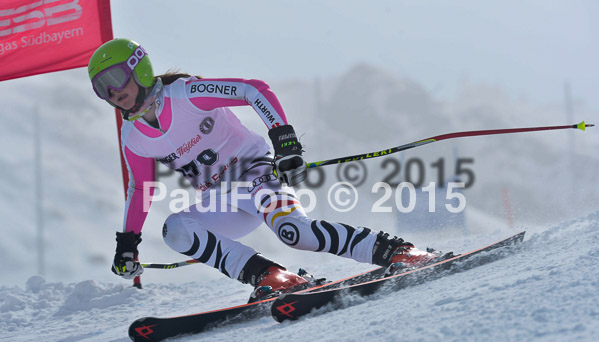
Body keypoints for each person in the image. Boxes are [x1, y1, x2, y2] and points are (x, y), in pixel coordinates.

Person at [88, 38, 440, 302]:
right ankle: (272, 276)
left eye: (116, 78)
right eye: (102, 88)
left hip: (254, 175)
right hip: (221, 200)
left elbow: (253, 90)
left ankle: (396, 252)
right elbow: (140, 189)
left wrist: (285, 142)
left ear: (140, 68)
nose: (113, 92)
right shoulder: (133, 135)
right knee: (176, 230)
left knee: (295, 233)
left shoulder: (186, 94)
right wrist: (128, 244)